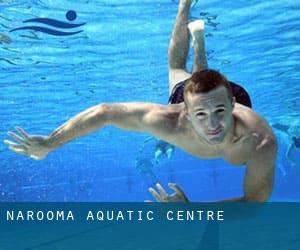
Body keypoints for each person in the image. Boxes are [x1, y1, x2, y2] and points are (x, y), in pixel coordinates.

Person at [4, 0, 277, 202]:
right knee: (178, 71)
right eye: (201, 115)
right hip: (202, 97)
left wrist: (192, 211)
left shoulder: (260, 140)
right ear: (184, 110)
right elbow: (105, 112)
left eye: (220, 111)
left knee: (185, 74)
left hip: (224, 99)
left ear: (232, 105)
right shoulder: (170, 120)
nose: (214, 124)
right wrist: (50, 142)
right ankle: (185, 6)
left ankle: (199, 43)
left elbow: (254, 204)